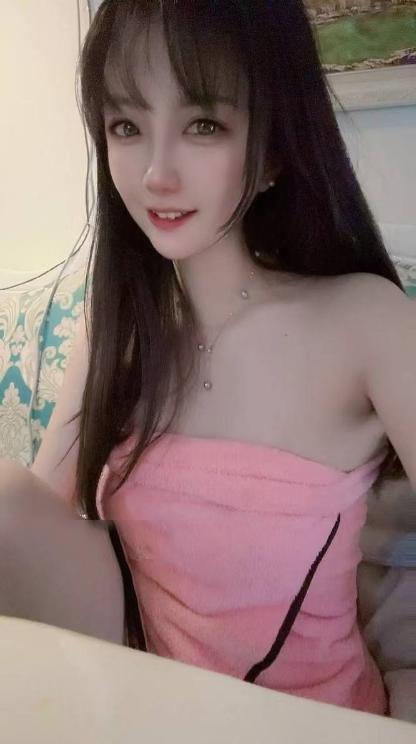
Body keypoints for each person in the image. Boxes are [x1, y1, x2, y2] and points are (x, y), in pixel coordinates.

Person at [1, 0, 416, 720]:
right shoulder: (118, 327)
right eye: (126, 126)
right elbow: (32, 530)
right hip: (147, 703)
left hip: (311, 720)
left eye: (203, 125)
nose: (156, 173)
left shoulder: (365, 322)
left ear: (274, 150)